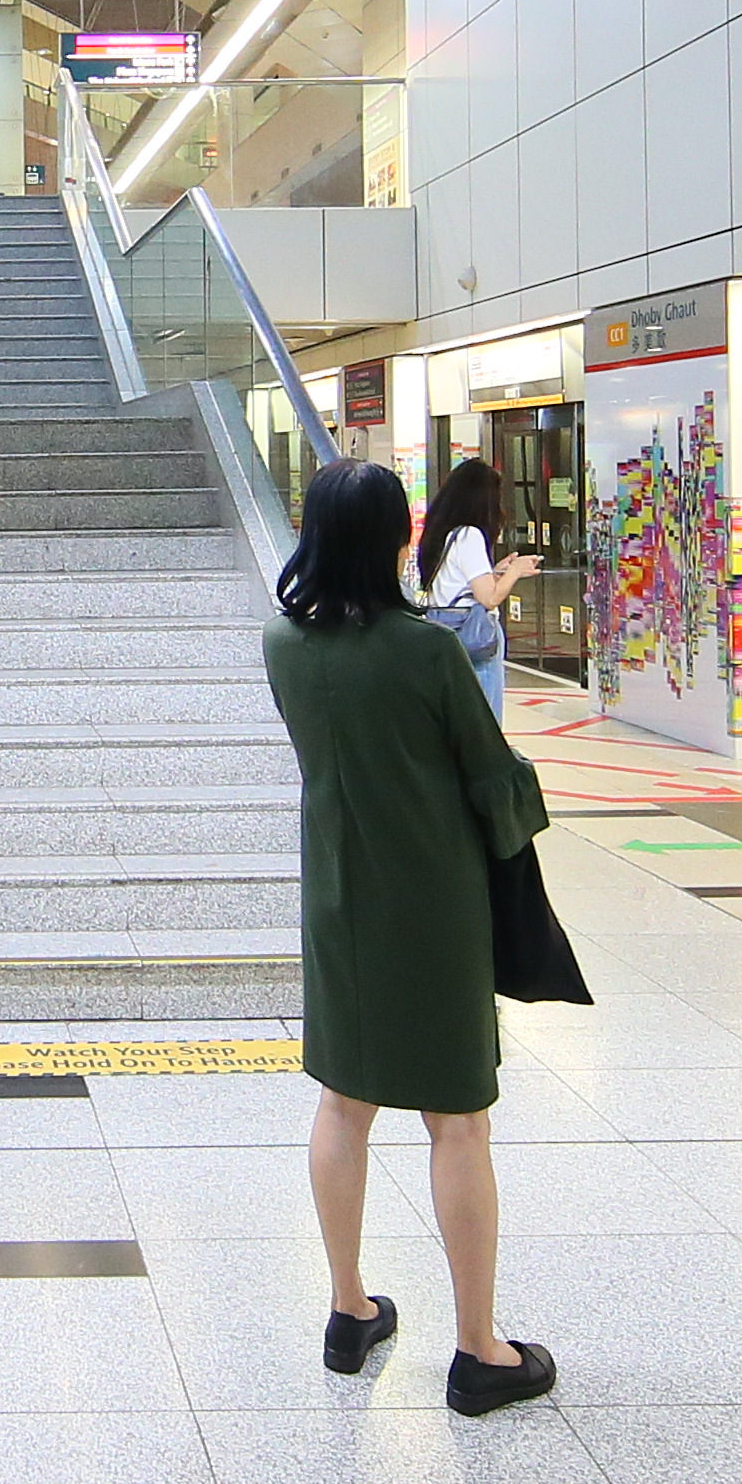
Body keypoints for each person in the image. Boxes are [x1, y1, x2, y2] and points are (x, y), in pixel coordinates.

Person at [267, 456, 559, 1415]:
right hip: (432, 903)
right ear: (398, 540)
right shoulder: (430, 652)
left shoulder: (284, 644)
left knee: (343, 1103)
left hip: (338, 898)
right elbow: (492, 776)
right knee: (457, 1119)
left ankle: (350, 1309)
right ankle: (479, 1350)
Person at [411, 449, 537, 714]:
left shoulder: (443, 532)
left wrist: (497, 572)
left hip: (444, 629)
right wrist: (514, 572)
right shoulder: (470, 535)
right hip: (473, 636)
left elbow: (456, 583)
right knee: (484, 716)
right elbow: (488, 598)